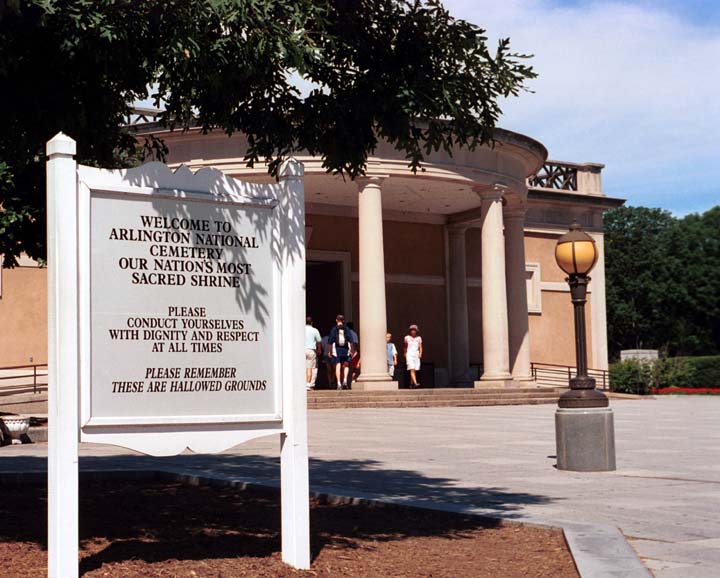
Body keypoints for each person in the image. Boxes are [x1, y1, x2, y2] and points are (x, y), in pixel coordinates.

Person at [328, 314, 353, 390]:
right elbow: (351, 340)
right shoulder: (347, 329)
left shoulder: (334, 329)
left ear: (336, 320)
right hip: (345, 349)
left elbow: (330, 342)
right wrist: (351, 350)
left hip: (337, 349)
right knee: (346, 365)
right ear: (343, 321)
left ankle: (338, 382)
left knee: (337, 365)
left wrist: (330, 351)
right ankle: (345, 380)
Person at [305, 317, 322, 390]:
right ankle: (309, 384)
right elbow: (319, 341)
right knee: (311, 368)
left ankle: (303, 383)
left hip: (301, 350)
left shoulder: (301, 329)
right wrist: (319, 349)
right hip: (311, 350)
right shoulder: (315, 330)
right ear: (312, 322)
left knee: (303, 367)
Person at [404, 324, 423, 388]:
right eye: (412, 330)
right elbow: (405, 346)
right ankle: (415, 383)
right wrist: (405, 353)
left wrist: (420, 353)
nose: (413, 331)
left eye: (414, 330)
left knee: (414, 369)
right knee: (411, 368)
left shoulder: (419, 338)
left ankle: (411, 384)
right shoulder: (407, 338)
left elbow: (420, 347)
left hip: (416, 354)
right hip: (409, 354)